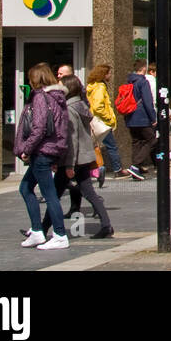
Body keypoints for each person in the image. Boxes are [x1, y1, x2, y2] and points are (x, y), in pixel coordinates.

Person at [50, 75, 114, 239]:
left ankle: (40, 230)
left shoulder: (70, 109)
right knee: (88, 192)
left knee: (54, 195)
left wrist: (69, 165)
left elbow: (72, 141)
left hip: (73, 159)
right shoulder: (81, 105)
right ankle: (106, 225)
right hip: (84, 157)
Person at [15, 63, 71, 250]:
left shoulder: (41, 97)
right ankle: (38, 231)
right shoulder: (57, 97)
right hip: (50, 149)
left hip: (42, 151)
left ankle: (60, 234)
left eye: (31, 78)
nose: (29, 82)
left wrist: (27, 149)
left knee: (49, 194)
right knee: (25, 187)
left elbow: (39, 128)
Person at [87, 65, 130, 182]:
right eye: (109, 73)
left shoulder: (92, 86)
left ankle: (93, 169)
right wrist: (109, 118)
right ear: (103, 74)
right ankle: (117, 169)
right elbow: (98, 107)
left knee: (94, 146)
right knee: (112, 146)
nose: (110, 75)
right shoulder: (100, 87)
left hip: (95, 121)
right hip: (102, 122)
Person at [122, 59, 157, 178]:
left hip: (130, 116)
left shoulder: (129, 81)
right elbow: (148, 101)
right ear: (144, 68)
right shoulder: (143, 82)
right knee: (152, 140)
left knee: (136, 141)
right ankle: (135, 165)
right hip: (142, 117)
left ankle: (135, 168)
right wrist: (153, 117)